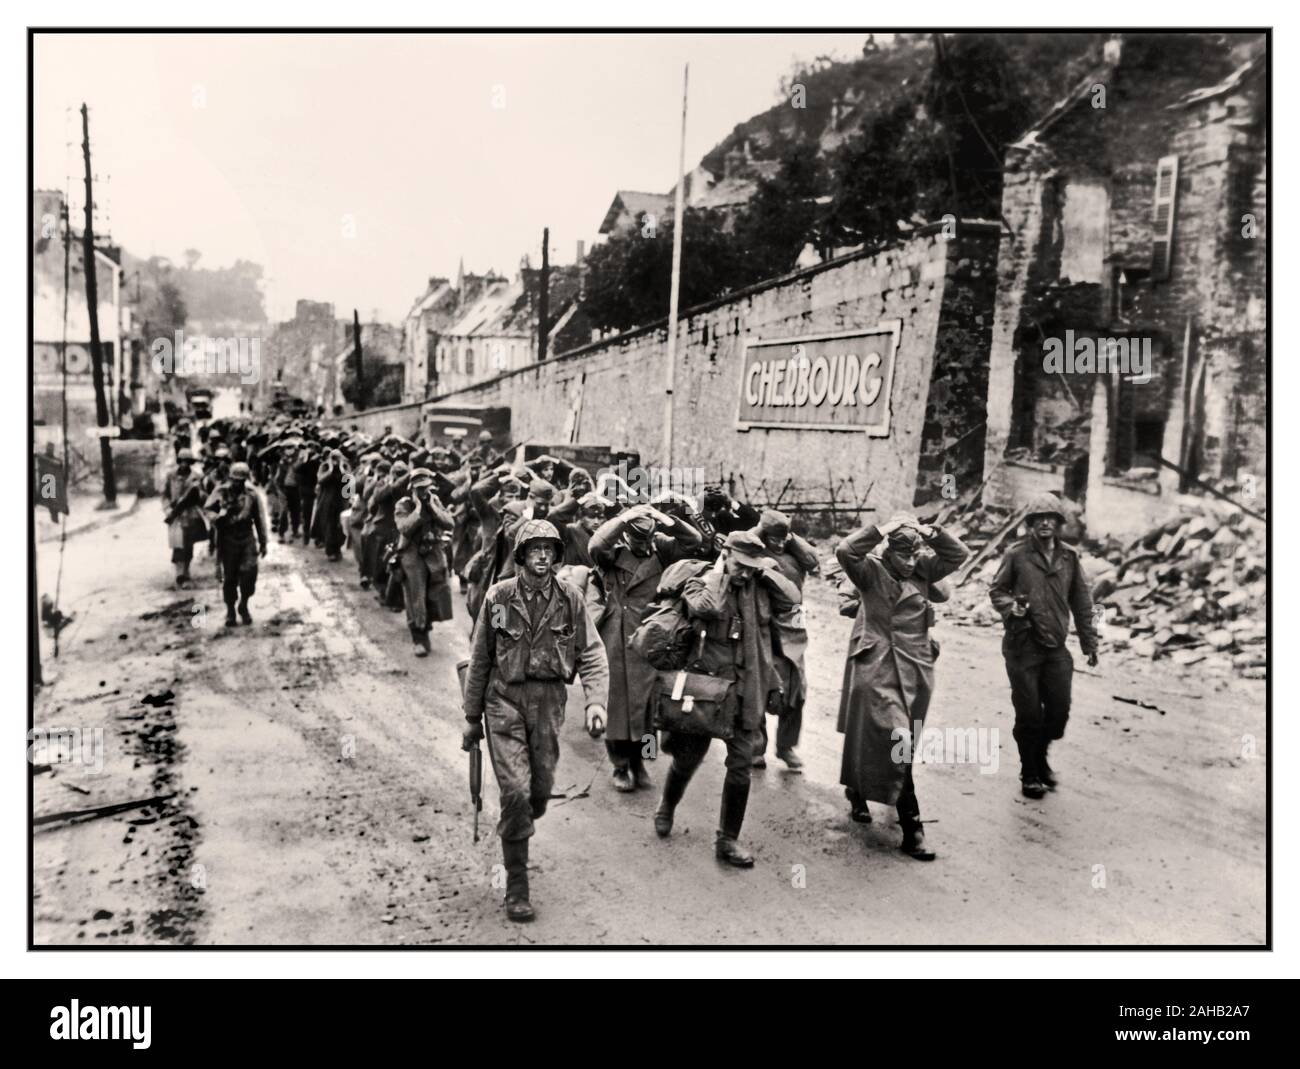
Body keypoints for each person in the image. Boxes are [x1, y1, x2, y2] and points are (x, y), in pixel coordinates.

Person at [461, 520, 609, 922]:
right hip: (503, 700)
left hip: (548, 704)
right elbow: (480, 660)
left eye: (549, 549)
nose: (542, 556)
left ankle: (522, 816)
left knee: (538, 791)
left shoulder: (571, 598)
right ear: (521, 555)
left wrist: (596, 702)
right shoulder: (499, 597)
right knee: (515, 792)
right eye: (534, 549)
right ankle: (517, 888)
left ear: (557, 556)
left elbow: (591, 653)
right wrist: (472, 717)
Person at [653, 530, 800, 867]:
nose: (745, 572)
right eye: (740, 564)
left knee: (741, 766)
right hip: (706, 691)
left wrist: (764, 570)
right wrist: (720, 572)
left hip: (746, 689)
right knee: (687, 759)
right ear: (725, 553)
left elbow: (791, 599)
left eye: (751, 566)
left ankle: (728, 840)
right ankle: (667, 805)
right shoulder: (701, 581)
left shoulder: (759, 588)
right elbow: (708, 606)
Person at [835, 514, 969, 861]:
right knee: (899, 741)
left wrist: (931, 533)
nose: (910, 563)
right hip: (878, 667)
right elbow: (845, 550)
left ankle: (859, 788)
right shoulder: (869, 573)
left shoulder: (924, 570)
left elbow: (958, 555)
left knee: (901, 740)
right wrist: (883, 527)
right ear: (888, 552)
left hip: (917, 668)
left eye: (914, 554)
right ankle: (913, 828)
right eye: (903, 555)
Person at [988, 491, 1099, 799]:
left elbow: (1083, 601)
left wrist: (1090, 642)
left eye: (1051, 519)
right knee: (1029, 714)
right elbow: (997, 590)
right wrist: (1013, 608)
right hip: (1022, 646)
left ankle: (1041, 756)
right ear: (1031, 524)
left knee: (1058, 713)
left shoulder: (1070, 557)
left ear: (1059, 523)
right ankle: (1030, 771)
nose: (1045, 524)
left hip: (1056, 648)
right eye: (1039, 520)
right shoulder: (1016, 554)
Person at [589, 502, 701, 793]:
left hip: (653, 635)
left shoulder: (661, 548)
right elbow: (595, 545)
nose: (645, 546)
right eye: (639, 540)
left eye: (648, 539)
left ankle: (641, 762)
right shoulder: (611, 554)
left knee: (650, 706)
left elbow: (695, 541)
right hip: (618, 633)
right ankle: (620, 764)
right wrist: (623, 518)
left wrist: (668, 520)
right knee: (619, 704)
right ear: (626, 536)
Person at [751, 508, 819, 771]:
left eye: (783, 538)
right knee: (760, 686)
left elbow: (813, 561)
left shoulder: (795, 555)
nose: (778, 543)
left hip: (793, 626)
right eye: (774, 538)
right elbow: (738, 546)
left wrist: (790, 537)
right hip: (762, 625)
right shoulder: (756, 552)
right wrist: (761, 528)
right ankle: (756, 748)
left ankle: (786, 747)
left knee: (797, 689)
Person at [394, 468, 456, 657]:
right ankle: (418, 638)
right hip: (412, 554)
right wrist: (420, 509)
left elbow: (449, 523)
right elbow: (404, 528)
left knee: (435, 594)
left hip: (433, 552)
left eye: (426, 488)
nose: (423, 493)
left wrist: (433, 508)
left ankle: (425, 627)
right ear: (411, 489)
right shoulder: (403, 505)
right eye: (419, 489)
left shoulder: (435, 501)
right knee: (416, 597)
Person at [204, 461, 268, 627]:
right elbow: (208, 509)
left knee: (249, 573)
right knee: (230, 576)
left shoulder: (252, 494)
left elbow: (260, 519)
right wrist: (218, 518)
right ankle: (230, 610)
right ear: (230, 478)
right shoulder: (221, 491)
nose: (238, 483)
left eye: (241, 480)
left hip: (247, 536)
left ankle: (244, 605)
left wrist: (263, 541)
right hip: (228, 538)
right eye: (235, 480)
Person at [161, 449, 208, 588]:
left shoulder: (197, 477)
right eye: (181, 461)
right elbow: (165, 495)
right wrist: (168, 510)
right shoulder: (171, 476)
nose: (184, 464)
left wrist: (198, 492)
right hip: (176, 514)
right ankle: (179, 573)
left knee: (188, 544)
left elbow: (204, 497)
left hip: (191, 514)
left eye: (187, 462)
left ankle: (186, 571)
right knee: (177, 544)